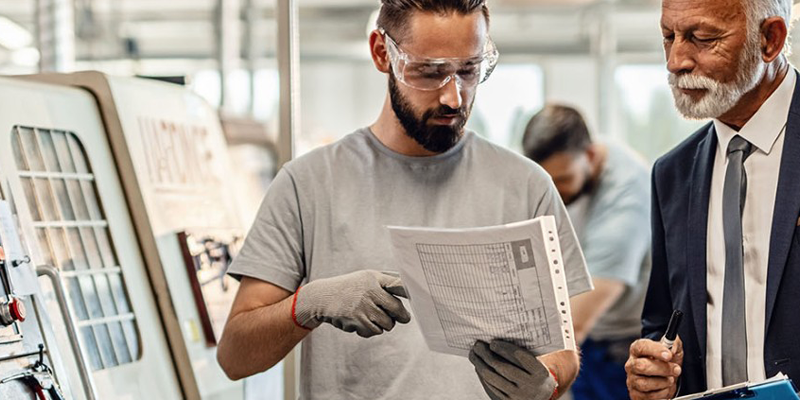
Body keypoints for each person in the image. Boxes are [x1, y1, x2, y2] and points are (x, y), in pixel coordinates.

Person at [216, 1, 594, 399]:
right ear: (382, 53)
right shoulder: (307, 184)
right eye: (430, 72)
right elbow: (235, 357)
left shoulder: (526, 185)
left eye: (469, 70)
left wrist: (546, 384)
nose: (454, 97)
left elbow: (563, 350)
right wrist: (309, 303)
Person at [626, 0, 800, 398]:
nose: (675, 61)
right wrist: (655, 373)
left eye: (701, 39)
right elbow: (662, 320)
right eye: (667, 37)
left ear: (770, 39)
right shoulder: (672, 174)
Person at [522, 104, 651, 400]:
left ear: (590, 155)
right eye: (547, 181)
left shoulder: (626, 200)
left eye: (563, 180)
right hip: (588, 340)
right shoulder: (576, 155)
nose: (555, 192)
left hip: (621, 348)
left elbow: (578, 322)